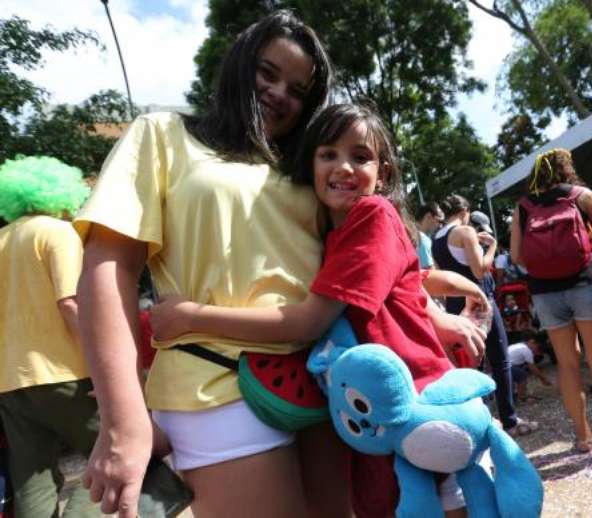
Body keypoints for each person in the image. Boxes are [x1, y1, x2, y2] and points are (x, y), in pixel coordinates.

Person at [148, 103, 491, 517]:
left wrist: (191, 317)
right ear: (310, 165)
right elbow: (404, 285)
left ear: (383, 174)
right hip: (377, 410)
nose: (343, 166)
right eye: (328, 154)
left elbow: (310, 320)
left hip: (415, 404)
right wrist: (438, 317)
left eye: (360, 157)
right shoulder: (334, 234)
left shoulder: (372, 214)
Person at [74, 12, 346, 518]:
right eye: (268, 73)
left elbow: (356, 258)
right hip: (219, 387)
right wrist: (122, 419)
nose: (279, 93)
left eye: (298, 89)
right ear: (239, 64)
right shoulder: (164, 134)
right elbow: (108, 268)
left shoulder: (311, 165)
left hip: (327, 383)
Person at [510, 148, 592, 454]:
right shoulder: (581, 195)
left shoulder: (524, 206)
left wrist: (546, 269)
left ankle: (582, 438)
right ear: (567, 169)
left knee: (568, 366)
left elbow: (516, 257)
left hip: (545, 292)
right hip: (586, 283)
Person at [0, 156, 100, 517]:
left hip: (10, 382)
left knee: (33, 480)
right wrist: (104, 372)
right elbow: (71, 304)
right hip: (65, 373)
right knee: (120, 455)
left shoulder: (3, 239)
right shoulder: (57, 233)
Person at [433, 195, 537, 436]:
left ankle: (481, 421)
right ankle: (509, 421)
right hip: (478, 299)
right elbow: (480, 271)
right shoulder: (465, 231)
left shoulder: (437, 238)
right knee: (499, 360)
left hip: (454, 302)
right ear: (465, 211)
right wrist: (491, 246)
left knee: (469, 363)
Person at [507, 330, 552, 401]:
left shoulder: (520, 345)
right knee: (522, 374)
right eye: (537, 347)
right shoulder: (526, 350)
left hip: (503, 365)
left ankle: (513, 394)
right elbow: (533, 368)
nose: (537, 351)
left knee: (520, 371)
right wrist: (543, 379)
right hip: (506, 366)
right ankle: (521, 397)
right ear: (532, 342)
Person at [415, 202, 444, 269]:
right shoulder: (422, 238)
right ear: (429, 216)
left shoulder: (417, 235)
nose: (441, 226)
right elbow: (430, 271)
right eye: (439, 221)